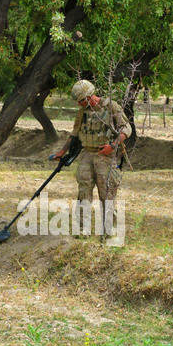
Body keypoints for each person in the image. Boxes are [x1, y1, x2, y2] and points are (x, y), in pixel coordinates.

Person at [52, 79, 132, 235]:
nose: (79, 104)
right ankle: (83, 228)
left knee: (107, 193)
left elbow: (126, 129)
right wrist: (62, 151)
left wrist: (113, 146)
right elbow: (74, 134)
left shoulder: (111, 107)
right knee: (83, 190)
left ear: (89, 96)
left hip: (106, 156)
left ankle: (109, 229)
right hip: (87, 154)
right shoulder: (82, 112)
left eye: (81, 101)